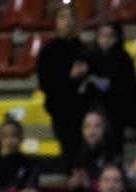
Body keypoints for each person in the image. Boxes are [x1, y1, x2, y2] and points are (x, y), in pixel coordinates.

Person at [38, 5, 91, 162]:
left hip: (85, 109)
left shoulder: (83, 48)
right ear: (55, 22)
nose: (68, 21)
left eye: (71, 17)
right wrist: (70, 77)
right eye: (63, 17)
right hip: (63, 112)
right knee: (71, 154)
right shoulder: (49, 51)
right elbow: (46, 84)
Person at [83, 20, 136, 132]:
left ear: (118, 37)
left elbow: (125, 88)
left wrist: (97, 81)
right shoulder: (91, 57)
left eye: (110, 36)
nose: (106, 40)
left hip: (119, 108)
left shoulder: (124, 59)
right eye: (102, 35)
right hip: (96, 105)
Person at [65, 108, 126, 192]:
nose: (92, 131)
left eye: (97, 126)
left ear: (104, 128)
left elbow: (118, 185)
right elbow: (70, 185)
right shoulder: (75, 153)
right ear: (82, 129)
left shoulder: (112, 152)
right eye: (87, 126)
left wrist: (90, 183)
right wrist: (73, 183)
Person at [0, 118, 42, 192]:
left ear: (21, 137)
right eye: (5, 136)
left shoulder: (31, 164)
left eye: (14, 135)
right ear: (0, 139)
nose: (10, 140)